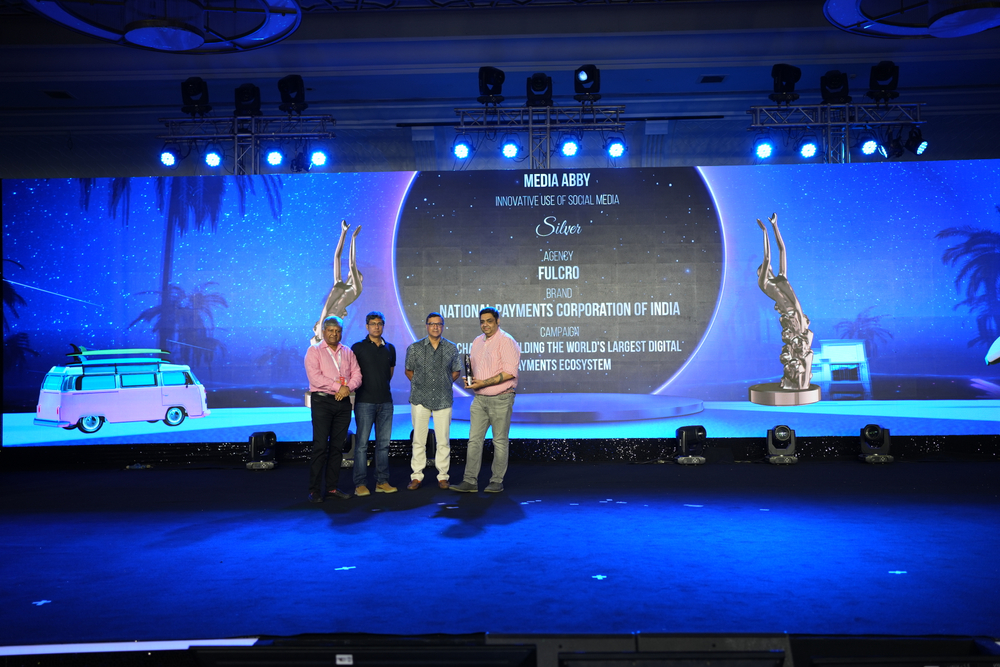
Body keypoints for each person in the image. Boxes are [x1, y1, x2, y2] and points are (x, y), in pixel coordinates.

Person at [450, 307, 520, 494]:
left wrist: (484, 382)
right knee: (474, 441)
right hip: (479, 399)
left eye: (489, 321)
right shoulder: (477, 341)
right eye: (482, 321)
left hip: (501, 398)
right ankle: (469, 481)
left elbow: (510, 372)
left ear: (498, 321)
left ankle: (496, 481)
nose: (485, 325)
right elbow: (476, 369)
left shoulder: (506, 341)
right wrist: (471, 381)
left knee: (499, 441)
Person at [304, 315, 362, 503]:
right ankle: (314, 490)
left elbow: (357, 375)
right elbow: (315, 378)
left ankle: (331, 488)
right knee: (320, 446)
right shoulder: (314, 351)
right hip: (322, 402)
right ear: (324, 332)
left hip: (343, 403)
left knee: (337, 448)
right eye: (330, 330)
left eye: (337, 331)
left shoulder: (348, 351)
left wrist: (347, 388)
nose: (334, 334)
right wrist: (339, 388)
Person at [404, 312, 462, 490]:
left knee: (443, 440)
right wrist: (421, 385)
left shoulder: (451, 348)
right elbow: (408, 370)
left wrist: (444, 384)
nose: (435, 327)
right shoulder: (415, 348)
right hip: (420, 399)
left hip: (443, 398)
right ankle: (416, 476)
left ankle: (443, 476)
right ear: (426, 326)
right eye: (432, 324)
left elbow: (456, 371)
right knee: (418, 440)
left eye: (439, 324)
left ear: (443, 326)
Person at [350, 311, 397, 496]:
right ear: (367, 326)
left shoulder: (390, 348)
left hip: (386, 402)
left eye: (379, 323)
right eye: (373, 324)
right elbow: (352, 373)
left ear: (383, 326)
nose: (376, 327)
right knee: (362, 445)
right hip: (364, 402)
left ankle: (382, 482)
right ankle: (360, 483)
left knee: (383, 445)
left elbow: (389, 374)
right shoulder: (357, 348)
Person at [313, 220, 363, 342]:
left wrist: (353, 238)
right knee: (317, 345)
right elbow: (337, 257)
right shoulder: (339, 283)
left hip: (332, 325)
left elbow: (352, 264)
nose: (352, 275)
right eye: (351, 274)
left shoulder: (356, 289)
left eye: (355, 275)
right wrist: (343, 232)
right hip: (324, 320)